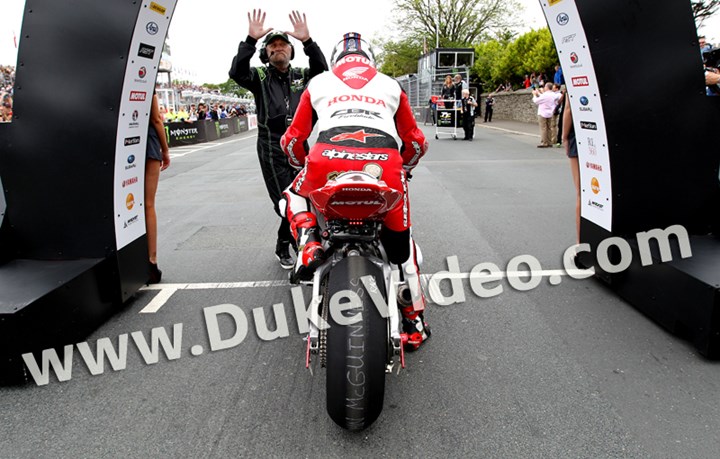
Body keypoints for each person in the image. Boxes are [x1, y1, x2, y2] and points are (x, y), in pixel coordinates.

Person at [279, 32, 430, 350]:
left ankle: (308, 241)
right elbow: (416, 142)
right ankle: (415, 323)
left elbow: (292, 140)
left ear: (337, 60)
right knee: (404, 253)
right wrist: (405, 168)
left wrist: (300, 165)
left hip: (326, 163)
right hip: (385, 166)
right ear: (370, 59)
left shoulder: (319, 81)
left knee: (292, 194)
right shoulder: (391, 84)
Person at [229, 9, 328, 269]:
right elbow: (236, 72)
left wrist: (308, 41)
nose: (278, 49)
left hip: (299, 145)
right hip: (271, 147)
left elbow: (323, 71)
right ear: (266, 54)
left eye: (282, 44)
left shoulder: (303, 76)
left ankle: (284, 242)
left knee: (303, 198)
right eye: (272, 46)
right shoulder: (259, 76)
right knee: (286, 201)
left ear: (291, 51)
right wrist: (250, 40)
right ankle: (291, 245)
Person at [145, 92, 171, 283]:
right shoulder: (146, 81)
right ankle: (151, 261)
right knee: (148, 205)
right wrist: (166, 149)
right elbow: (156, 119)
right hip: (147, 143)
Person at [561, 98, 580, 245]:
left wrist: (564, 136)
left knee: (581, 192)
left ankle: (581, 243)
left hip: (580, 134)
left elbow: (569, 108)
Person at [532, 82, 561, 148]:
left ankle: (544, 142)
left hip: (542, 113)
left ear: (547, 87)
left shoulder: (545, 95)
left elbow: (536, 101)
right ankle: (549, 142)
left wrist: (534, 95)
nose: (544, 88)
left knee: (543, 128)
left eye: (545, 86)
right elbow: (543, 97)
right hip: (550, 112)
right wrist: (538, 93)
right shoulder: (553, 95)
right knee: (549, 128)